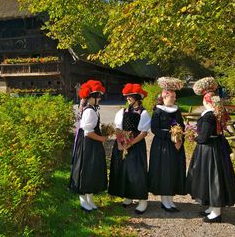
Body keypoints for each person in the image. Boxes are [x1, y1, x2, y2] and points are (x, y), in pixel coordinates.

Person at [187, 77, 235, 223]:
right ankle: (212, 208)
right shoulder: (215, 113)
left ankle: (216, 213)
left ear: (206, 100)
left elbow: (204, 137)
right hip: (215, 148)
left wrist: (193, 138)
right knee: (210, 178)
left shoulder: (209, 115)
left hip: (210, 150)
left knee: (213, 179)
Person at [108, 83, 151, 214]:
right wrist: (121, 143)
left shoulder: (144, 113)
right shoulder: (122, 111)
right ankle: (128, 196)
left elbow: (144, 132)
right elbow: (118, 128)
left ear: (137, 97)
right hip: (122, 144)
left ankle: (142, 200)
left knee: (136, 171)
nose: (128, 99)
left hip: (136, 145)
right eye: (126, 97)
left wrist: (131, 143)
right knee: (124, 170)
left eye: (130, 96)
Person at [69, 79, 108, 212]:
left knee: (91, 171)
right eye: (99, 96)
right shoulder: (89, 111)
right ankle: (83, 199)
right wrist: (102, 138)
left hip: (89, 144)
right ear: (93, 97)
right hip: (88, 145)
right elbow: (88, 133)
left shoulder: (90, 108)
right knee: (86, 170)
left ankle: (89, 198)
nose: (101, 99)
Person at [148, 77, 186, 212]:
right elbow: (154, 129)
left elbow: (182, 126)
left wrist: (180, 140)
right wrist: (170, 135)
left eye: (175, 96)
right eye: (172, 96)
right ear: (165, 96)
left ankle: (170, 199)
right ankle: (165, 201)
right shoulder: (158, 111)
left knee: (174, 171)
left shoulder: (177, 110)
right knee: (164, 172)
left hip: (176, 146)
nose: (174, 99)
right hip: (162, 146)